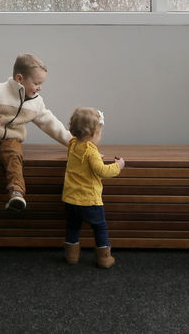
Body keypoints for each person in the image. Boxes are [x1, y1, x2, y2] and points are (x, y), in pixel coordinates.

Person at [0, 53, 72, 229]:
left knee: (14, 157)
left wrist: (73, 143)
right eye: (36, 83)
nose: (40, 88)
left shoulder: (36, 103)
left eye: (41, 84)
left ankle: (16, 193)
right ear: (20, 79)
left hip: (12, 138)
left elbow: (51, 124)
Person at [61, 107, 125, 268]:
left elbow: (79, 159)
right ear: (92, 134)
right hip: (89, 200)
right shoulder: (91, 152)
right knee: (100, 227)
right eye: (100, 133)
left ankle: (72, 256)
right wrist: (118, 166)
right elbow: (102, 171)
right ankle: (104, 258)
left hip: (70, 199)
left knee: (73, 226)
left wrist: (96, 157)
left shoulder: (73, 144)